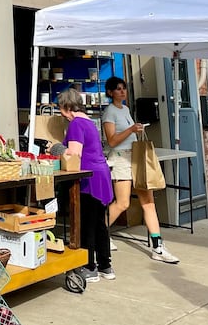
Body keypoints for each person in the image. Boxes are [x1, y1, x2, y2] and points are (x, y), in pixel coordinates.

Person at [102, 75, 179, 264]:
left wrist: (134, 130)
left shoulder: (126, 109)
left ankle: (157, 246)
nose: (122, 91)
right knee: (122, 203)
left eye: (124, 88)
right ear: (111, 92)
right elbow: (111, 141)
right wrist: (131, 130)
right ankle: (99, 233)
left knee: (148, 202)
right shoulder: (109, 112)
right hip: (120, 159)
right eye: (118, 89)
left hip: (135, 157)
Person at [58, 88, 114, 283]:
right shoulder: (90, 122)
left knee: (86, 223)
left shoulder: (75, 124)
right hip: (102, 175)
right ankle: (105, 265)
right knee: (99, 223)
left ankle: (89, 266)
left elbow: (74, 153)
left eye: (61, 109)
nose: (61, 114)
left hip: (88, 177)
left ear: (66, 107)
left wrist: (55, 149)